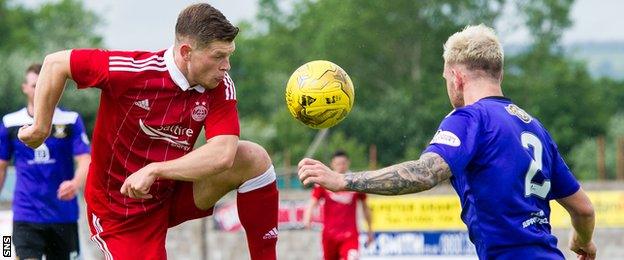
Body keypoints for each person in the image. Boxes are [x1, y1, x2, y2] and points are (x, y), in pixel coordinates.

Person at [298, 24, 596, 260]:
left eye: (445, 79)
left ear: (455, 77)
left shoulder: (469, 118)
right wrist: (583, 240)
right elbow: (583, 209)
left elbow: (425, 172)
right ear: (499, 72)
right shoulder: (533, 126)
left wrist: (343, 180)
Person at [18, 3, 279, 260]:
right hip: (121, 209)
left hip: (168, 192)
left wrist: (156, 170)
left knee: (252, 157)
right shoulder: (131, 70)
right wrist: (41, 127)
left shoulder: (219, 85)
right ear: (187, 52)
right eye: (218, 56)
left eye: (229, 55)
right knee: (15, 252)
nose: (227, 66)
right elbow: (55, 63)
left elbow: (223, 154)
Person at [0, 63, 91, 260]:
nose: (39, 89)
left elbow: (85, 160)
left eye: (43, 84)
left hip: (62, 214)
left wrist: (75, 184)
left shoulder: (70, 120)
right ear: (25, 88)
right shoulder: (10, 123)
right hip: (26, 213)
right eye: (34, 85)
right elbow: (1, 167)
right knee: (10, 253)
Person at [303, 150, 373, 260]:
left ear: (348, 163)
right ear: (332, 164)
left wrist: (370, 230)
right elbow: (313, 202)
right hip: (329, 236)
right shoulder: (323, 182)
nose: (341, 166)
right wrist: (307, 219)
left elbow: (365, 207)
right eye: (338, 163)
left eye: (343, 163)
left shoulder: (355, 182)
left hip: (350, 236)